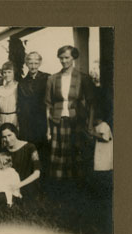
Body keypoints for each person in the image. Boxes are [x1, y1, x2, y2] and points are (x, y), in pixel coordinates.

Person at [45, 45, 95, 179]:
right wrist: (48, 128)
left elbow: (91, 103)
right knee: (60, 155)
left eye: (67, 57)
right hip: (58, 121)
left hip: (77, 121)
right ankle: (60, 187)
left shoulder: (83, 78)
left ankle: (77, 187)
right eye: (61, 58)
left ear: (73, 57)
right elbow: (48, 105)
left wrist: (90, 126)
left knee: (76, 153)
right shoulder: (53, 79)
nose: (64, 61)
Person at [18, 52, 51, 176]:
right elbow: (20, 104)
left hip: (43, 122)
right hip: (27, 124)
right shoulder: (22, 82)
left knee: (44, 153)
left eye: (36, 63)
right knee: (30, 153)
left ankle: (44, 182)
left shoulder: (47, 78)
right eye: (30, 63)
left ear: (40, 63)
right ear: (26, 64)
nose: (33, 66)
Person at [0, 123, 41, 202]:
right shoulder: (4, 150)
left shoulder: (30, 147)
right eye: (4, 137)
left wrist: (18, 185)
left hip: (26, 184)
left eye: (9, 135)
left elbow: (37, 173)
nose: (7, 139)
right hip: (11, 184)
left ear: (15, 133)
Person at [0, 61, 19, 127]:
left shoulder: (18, 86)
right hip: (2, 119)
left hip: (14, 119)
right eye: (4, 72)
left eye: (9, 72)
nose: (7, 75)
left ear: (14, 73)